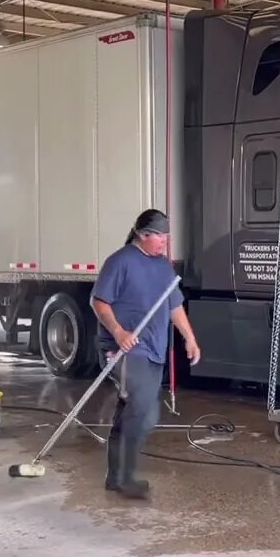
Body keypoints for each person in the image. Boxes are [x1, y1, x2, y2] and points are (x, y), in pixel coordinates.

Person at [91, 209, 201, 500]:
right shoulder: (120, 262)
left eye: (167, 235)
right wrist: (118, 332)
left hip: (154, 351)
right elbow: (99, 302)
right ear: (143, 235)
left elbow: (174, 306)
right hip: (124, 349)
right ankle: (127, 478)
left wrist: (189, 338)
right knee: (144, 410)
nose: (165, 241)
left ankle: (115, 477)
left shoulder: (163, 267)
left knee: (130, 411)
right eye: (160, 235)